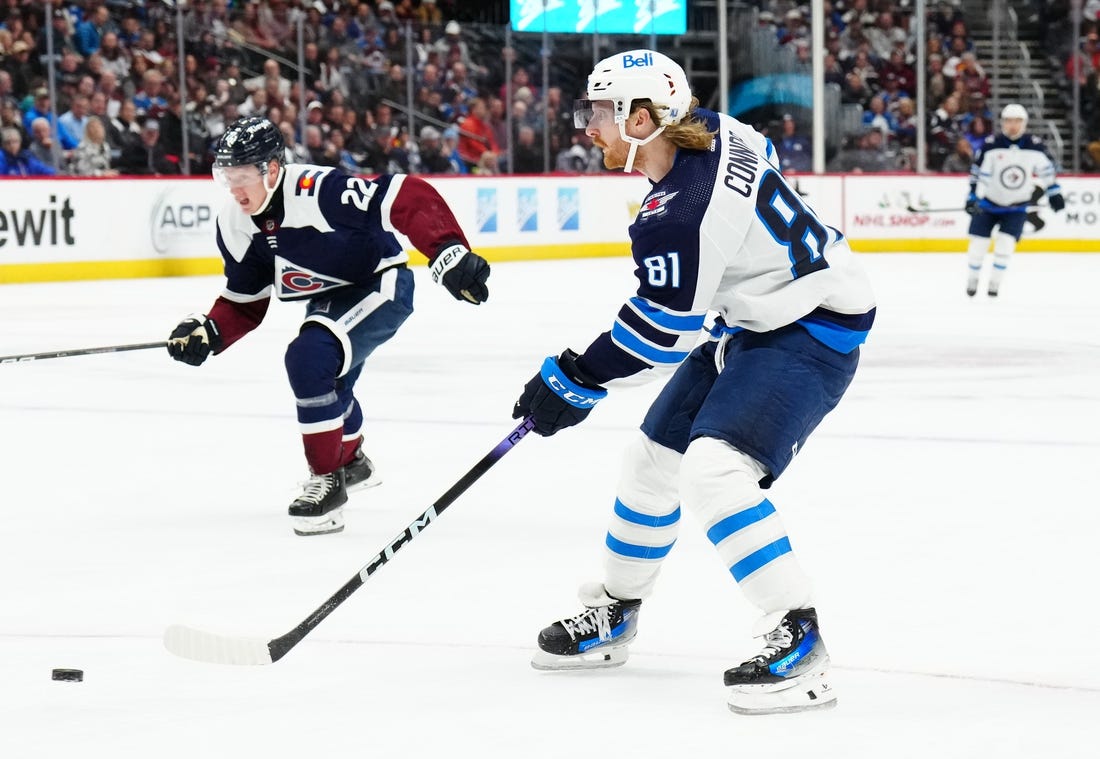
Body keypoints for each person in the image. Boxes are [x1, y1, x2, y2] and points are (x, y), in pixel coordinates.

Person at [510, 50, 875, 715]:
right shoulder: (713, 127)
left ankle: (800, 636)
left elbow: (658, 338)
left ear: (642, 118)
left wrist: (573, 377)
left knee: (714, 468)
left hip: (811, 328)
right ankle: (616, 613)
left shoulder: (678, 213)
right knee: (650, 461)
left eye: (600, 113)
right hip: (760, 315)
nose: (589, 127)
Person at [166, 116, 490, 537]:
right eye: (227, 176)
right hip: (330, 297)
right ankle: (351, 461)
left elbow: (403, 193)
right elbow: (245, 302)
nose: (234, 187)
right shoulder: (235, 224)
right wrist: (209, 331)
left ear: (273, 169)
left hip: (381, 282)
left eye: (243, 176)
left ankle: (328, 480)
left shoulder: (316, 190)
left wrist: (446, 250)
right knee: (326, 381)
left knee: (309, 357)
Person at [964, 104, 1064, 297]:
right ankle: (973, 279)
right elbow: (978, 173)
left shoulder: (1034, 145)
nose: (1013, 125)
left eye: (1017, 121)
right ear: (1002, 123)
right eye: (1009, 121)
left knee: (1005, 245)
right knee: (978, 245)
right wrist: (972, 196)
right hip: (989, 204)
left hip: (1016, 208)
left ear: (1024, 123)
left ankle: (994, 284)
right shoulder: (991, 144)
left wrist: (1054, 192)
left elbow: (1046, 171)